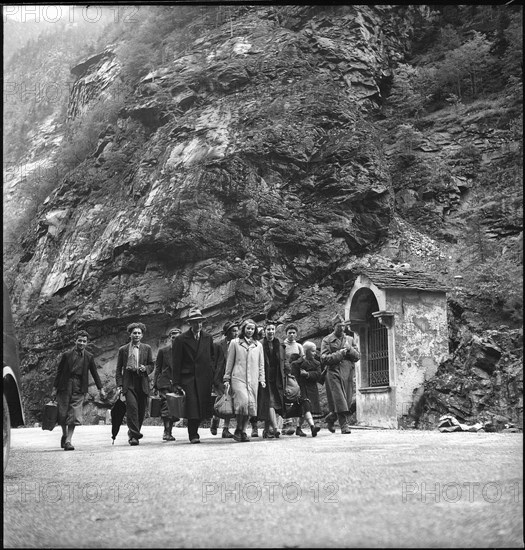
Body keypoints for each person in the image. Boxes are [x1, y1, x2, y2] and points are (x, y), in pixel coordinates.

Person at [52, 330, 106, 451]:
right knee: (62, 414)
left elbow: (94, 373)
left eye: (84, 341)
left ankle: (68, 441)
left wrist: (100, 388)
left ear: (87, 343)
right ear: (75, 341)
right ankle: (64, 434)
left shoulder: (89, 356)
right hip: (64, 386)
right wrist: (54, 388)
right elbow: (59, 372)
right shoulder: (66, 355)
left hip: (79, 387)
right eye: (79, 340)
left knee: (75, 414)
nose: (81, 343)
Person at [172, 307, 215, 444]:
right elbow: (176, 362)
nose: (199, 325)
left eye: (200, 322)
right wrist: (176, 383)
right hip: (188, 378)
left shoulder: (208, 338)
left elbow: (211, 357)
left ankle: (196, 428)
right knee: (192, 406)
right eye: (195, 322)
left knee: (202, 406)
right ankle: (193, 434)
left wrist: (212, 376)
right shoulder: (180, 339)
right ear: (190, 323)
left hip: (204, 378)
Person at [223, 319, 265, 442]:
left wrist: (262, 378)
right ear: (243, 329)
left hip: (253, 379)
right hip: (238, 378)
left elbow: (261, 364)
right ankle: (238, 428)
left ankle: (242, 430)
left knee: (250, 406)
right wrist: (227, 377)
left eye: (252, 329)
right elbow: (229, 361)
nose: (250, 331)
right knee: (242, 403)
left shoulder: (258, 345)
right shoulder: (235, 343)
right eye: (248, 328)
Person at [116, 322, 154, 446]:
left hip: (142, 381)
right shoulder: (123, 349)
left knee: (141, 410)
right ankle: (134, 436)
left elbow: (151, 365)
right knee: (132, 408)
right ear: (130, 335)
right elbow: (118, 369)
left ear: (142, 335)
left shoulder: (146, 348)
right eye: (134, 333)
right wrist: (120, 385)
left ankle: (133, 433)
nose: (136, 335)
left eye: (139, 333)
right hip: (129, 382)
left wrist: (146, 368)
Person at [320, 315, 360, 434]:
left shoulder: (350, 339)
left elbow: (358, 357)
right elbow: (324, 358)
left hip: (347, 373)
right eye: (339, 326)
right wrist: (340, 353)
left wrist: (350, 350)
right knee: (340, 399)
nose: (342, 328)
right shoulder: (326, 340)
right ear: (333, 327)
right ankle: (344, 426)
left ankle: (331, 418)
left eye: (343, 326)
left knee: (346, 400)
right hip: (333, 372)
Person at [210, 320, 239, 439]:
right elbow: (212, 362)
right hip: (219, 378)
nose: (236, 333)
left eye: (237, 331)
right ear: (227, 333)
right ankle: (215, 419)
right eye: (233, 331)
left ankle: (225, 429)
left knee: (229, 402)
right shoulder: (218, 345)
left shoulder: (238, 344)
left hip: (234, 378)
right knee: (220, 401)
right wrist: (214, 378)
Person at [259, 320, 288, 438]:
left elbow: (284, 360)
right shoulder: (260, 344)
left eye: (272, 329)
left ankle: (267, 430)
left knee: (275, 402)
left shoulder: (279, 344)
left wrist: (287, 372)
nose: (271, 332)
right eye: (268, 329)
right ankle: (275, 428)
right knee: (269, 402)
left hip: (277, 377)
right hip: (264, 377)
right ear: (264, 331)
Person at [153, 327, 181, 441]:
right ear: (170, 338)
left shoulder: (185, 352)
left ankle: (170, 431)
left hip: (178, 384)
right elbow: (158, 369)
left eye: (178, 337)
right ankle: (167, 431)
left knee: (176, 408)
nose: (175, 339)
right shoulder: (163, 351)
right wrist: (155, 385)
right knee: (166, 407)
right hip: (165, 383)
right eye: (173, 337)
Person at [289, 341, 322, 437]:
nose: (314, 353)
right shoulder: (296, 364)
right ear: (306, 351)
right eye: (312, 351)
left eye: (315, 351)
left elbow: (318, 375)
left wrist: (307, 374)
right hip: (301, 388)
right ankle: (312, 427)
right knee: (306, 406)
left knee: (304, 410)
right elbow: (294, 377)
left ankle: (298, 428)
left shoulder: (317, 363)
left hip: (312, 388)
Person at [282, 323, 305, 436]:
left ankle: (296, 424)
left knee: (296, 397)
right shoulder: (283, 345)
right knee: (286, 396)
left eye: (293, 332)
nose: (291, 334)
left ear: (296, 334)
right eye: (289, 332)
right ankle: (286, 423)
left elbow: (303, 359)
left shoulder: (299, 346)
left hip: (295, 375)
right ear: (286, 334)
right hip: (285, 374)